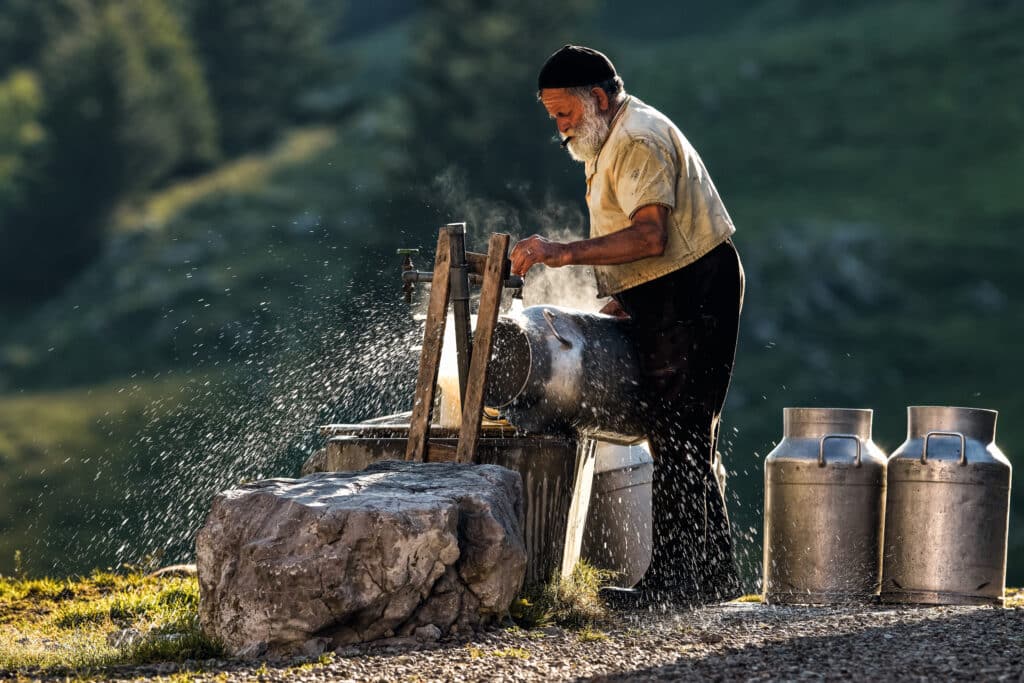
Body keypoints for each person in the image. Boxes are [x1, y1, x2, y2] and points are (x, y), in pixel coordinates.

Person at [509, 45, 745, 607]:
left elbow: (651, 237)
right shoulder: (607, 136)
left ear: (596, 98)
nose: (561, 128)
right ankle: (713, 579)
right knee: (682, 432)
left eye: (565, 113)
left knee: (679, 432)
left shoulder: (636, 137)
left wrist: (563, 253)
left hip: (694, 291)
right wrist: (626, 296)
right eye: (553, 118)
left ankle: (674, 582)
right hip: (670, 292)